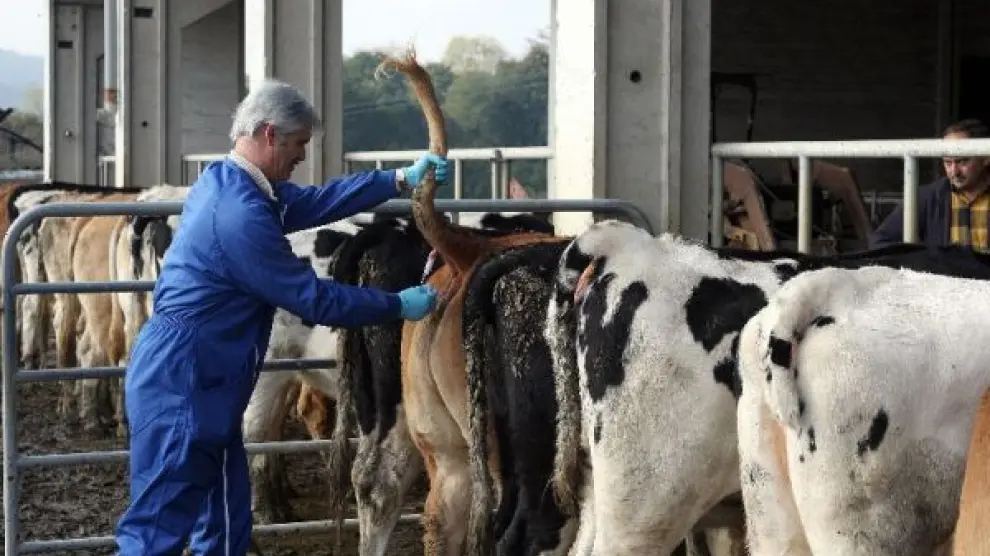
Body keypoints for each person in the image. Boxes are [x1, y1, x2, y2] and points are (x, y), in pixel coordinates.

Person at [114, 79, 448, 555]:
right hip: (185, 379)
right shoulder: (240, 216)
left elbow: (316, 201)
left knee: (225, 523)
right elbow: (312, 299)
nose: (301, 156)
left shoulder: (230, 182)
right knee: (155, 532)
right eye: (298, 144)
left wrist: (396, 180)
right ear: (270, 134)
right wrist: (396, 305)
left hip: (206, 378)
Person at [871, 118, 990, 249]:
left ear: (986, 158)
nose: (954, 172)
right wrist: (921, 258)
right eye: (948, 162)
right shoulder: (925, 198)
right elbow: (879, 242)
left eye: (962, 161)